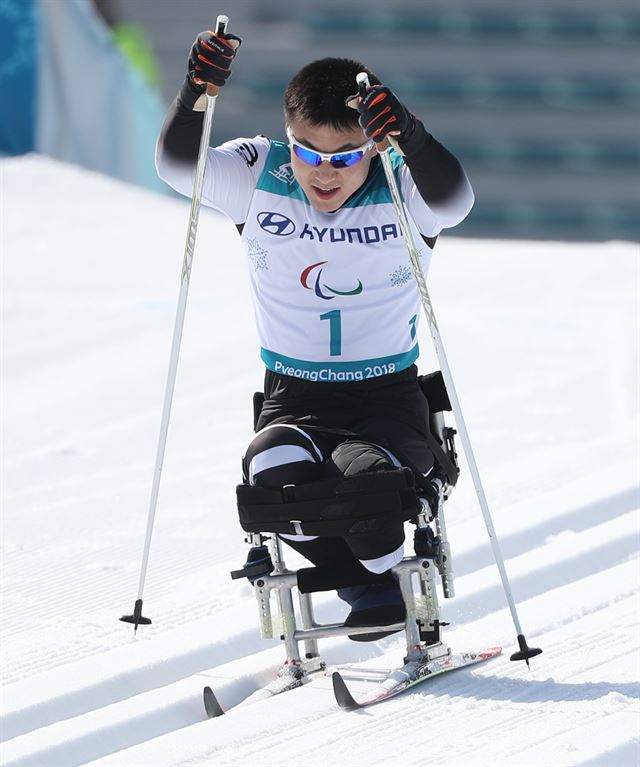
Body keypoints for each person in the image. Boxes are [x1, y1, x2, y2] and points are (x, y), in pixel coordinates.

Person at [156, 27, 474, 639]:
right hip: (293, 396)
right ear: (287, 139)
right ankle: (372, 588)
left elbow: (456, 199)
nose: (324, 175)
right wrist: (197, 91)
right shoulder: (259, 173)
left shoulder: (403, 185)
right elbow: (177, 166)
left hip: (385, 399)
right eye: (308, 152)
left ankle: (381, 578)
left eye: (345, 156)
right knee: (271, 477)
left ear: (373, 148)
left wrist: (408, 131)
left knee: (368, 489)